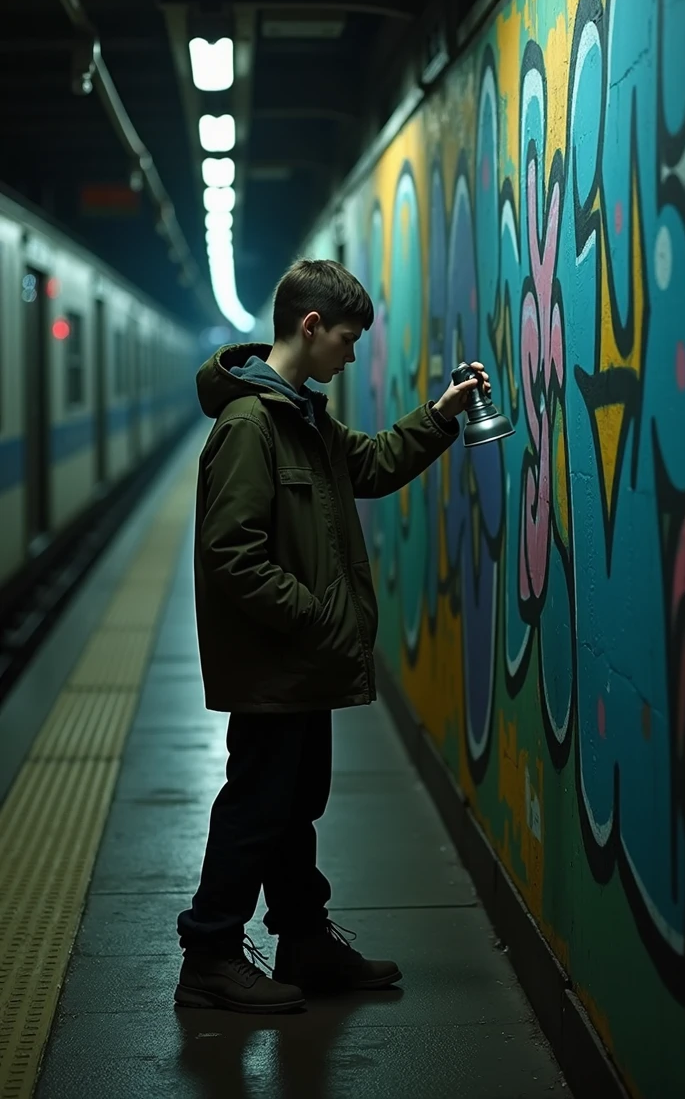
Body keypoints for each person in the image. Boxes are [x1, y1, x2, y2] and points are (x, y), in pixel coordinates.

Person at [174, 257, 491, 1014]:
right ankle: (210, 954)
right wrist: (315, 615)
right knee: (257, 804)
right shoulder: (252, 426)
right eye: (348, 340)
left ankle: (304, 941)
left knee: (292, 803)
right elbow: (231, 555)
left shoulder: (304, 416)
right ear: (310, 327)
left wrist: (442, 414)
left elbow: (373, 465)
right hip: (274, 661)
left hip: (299, 662)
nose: (353, 356)